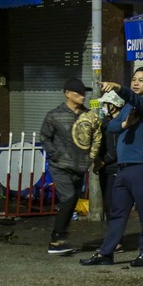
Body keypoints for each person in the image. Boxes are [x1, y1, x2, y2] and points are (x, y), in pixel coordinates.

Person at [80, 67, 143, 267]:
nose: (136, 83)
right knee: (117, 212)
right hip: (122, 168)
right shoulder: (126, 107)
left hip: (140, 166)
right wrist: (125, 124)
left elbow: (136, 100)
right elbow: (110, 126)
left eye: (141, 80)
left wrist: (117, 87)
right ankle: (106, 253)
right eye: (134, 79)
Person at [41, 78, 100, 254]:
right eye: (78, 93)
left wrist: (91, 158)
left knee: (72, 199)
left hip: (80, 167)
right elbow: (44, 138)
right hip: (60, 167)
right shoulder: (54, 115)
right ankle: (56, 239)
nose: (82, 96)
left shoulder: (88, 115)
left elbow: (95, 137)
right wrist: (57, 154)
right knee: (68, 198)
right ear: (67, 93)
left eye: (84, 93)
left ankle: (60, 239)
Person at [93, 91, 125, 251]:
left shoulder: (117, 124)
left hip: (113, 169)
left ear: (113, 105)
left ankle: (115, 241)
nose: (103, 107)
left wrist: (102, 162)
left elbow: (115, 150)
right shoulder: (107, 122)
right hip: (107, 169)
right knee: (109, 205)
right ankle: (113, 239)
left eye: (105, 104)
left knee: (113, 206)